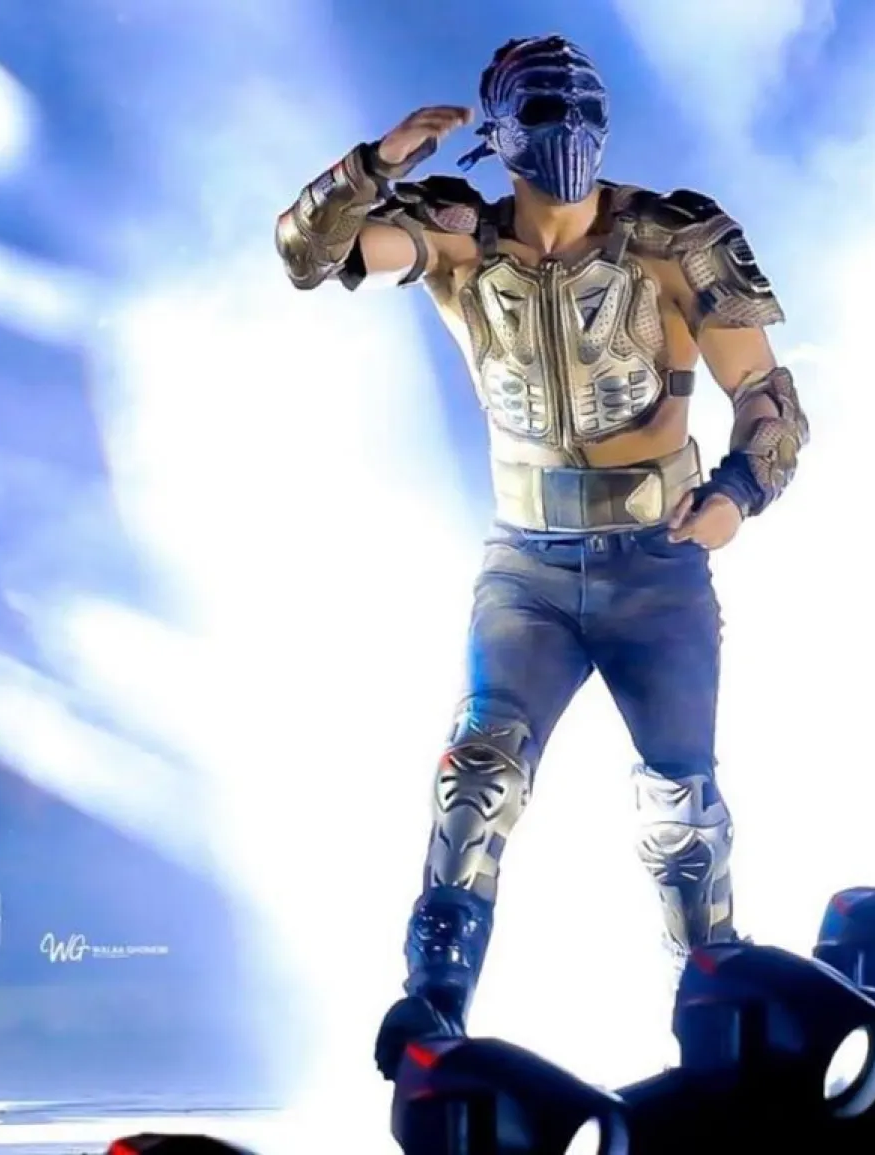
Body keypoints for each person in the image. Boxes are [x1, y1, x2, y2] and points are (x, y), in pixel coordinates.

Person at [274, 34, 809, 1079]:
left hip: (655, 561)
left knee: (682, 810)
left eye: (578, 112)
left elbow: (768, 395)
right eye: (543, 115)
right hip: (526, 563)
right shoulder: (455, 237)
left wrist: (739, 492)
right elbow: (307, 255)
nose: (565, 135)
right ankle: (434, 1006)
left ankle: (720, 1029)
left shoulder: (675, 239)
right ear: (501, 135)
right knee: (476, 779)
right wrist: (377, 163)